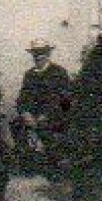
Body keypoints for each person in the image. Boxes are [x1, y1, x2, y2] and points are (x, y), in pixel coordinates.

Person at [12, 39, 73, 170]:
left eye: (42, 53)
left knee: (45, 127)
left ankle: (58, 161)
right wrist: (25, 113)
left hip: (55, 115)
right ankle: (28, 161)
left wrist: (46, 115)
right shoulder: (29, 75)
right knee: (16, 124)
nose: (38, 56)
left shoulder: (59, 72)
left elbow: (65, 100)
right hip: (32, 117)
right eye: (35, 53)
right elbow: (22, 99)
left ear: (48, 54)